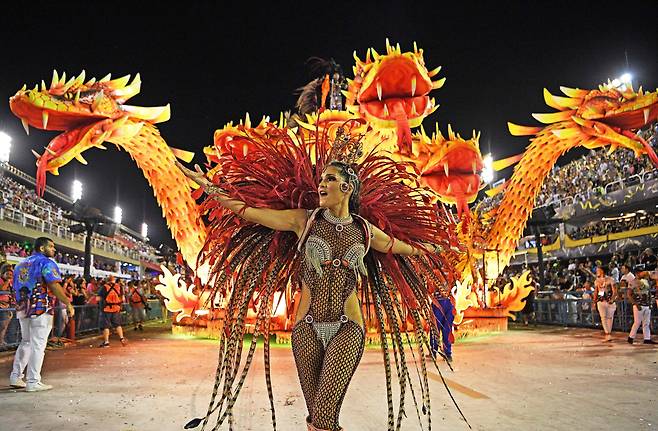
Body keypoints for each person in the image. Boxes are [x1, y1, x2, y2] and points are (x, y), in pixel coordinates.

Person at [178, 125, 455, 431]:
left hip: (348, 328)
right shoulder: (303, 220)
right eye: (322, 178)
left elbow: (403, 248)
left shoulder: (364, 231)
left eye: (330, 179)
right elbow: (247, 211)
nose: (321, 184)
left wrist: (435, 246)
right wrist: (206, 185)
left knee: (324, 415)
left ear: (348, 187)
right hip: (305, 329)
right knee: (318, 418)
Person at [9, 237, 74, 391]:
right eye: (51, 247)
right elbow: (54, 284)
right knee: (38, 344)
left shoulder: (20, 264)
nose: (54, 249)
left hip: (23, 307)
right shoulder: (46, 263)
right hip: (40, 308)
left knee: (26, 342)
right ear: (42, 248)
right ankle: (33, 381)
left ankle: (16, 376)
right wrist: (67, 302)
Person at [97, 275, 127, 348]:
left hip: (106, 309)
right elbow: (122, 298)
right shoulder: (119, 287)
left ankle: (106, 342)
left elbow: (98, 299)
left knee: (105, 326)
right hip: (116, 308)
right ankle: (122, 338)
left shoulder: (104, 287)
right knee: (118, 325)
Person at [627, 277, 657, 345]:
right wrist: (635, 304)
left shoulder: (646, 281)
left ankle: (647, 338)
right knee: (637, 322)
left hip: (646, 304)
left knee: (646, 322)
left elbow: (649, 293)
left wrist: (650, 303)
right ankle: (631, 337)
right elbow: (629, 294)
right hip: (638, 304)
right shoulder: (632, 282)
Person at [593, 266, 617, 342]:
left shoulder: (610, 279)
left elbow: (615, 291)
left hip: (609, 301)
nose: (597, 271)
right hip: (601, 301)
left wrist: (612, 299)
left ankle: (608, 333)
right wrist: (594, 302)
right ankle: (607, 334)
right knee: (603, 317)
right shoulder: (597, 281)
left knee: (610, 318)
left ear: (602, 271)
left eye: (598, 270)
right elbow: (596, 292)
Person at [429, 291, 455, 361]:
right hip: (438, 302)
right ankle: (434, 352)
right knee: (435, 328)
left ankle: (447, 353)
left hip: (449, 302)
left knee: (447, 329)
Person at [0, 263, 15, 348]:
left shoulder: (10, 282)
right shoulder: (1, 280)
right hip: (1, 306)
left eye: (11, 274)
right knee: (2, 325)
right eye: (7, 274)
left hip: (7, 306)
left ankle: (2, 342)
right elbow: (2, 289)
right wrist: (8, 281)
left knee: (5, 326)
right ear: (2, 273)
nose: (9, 276)